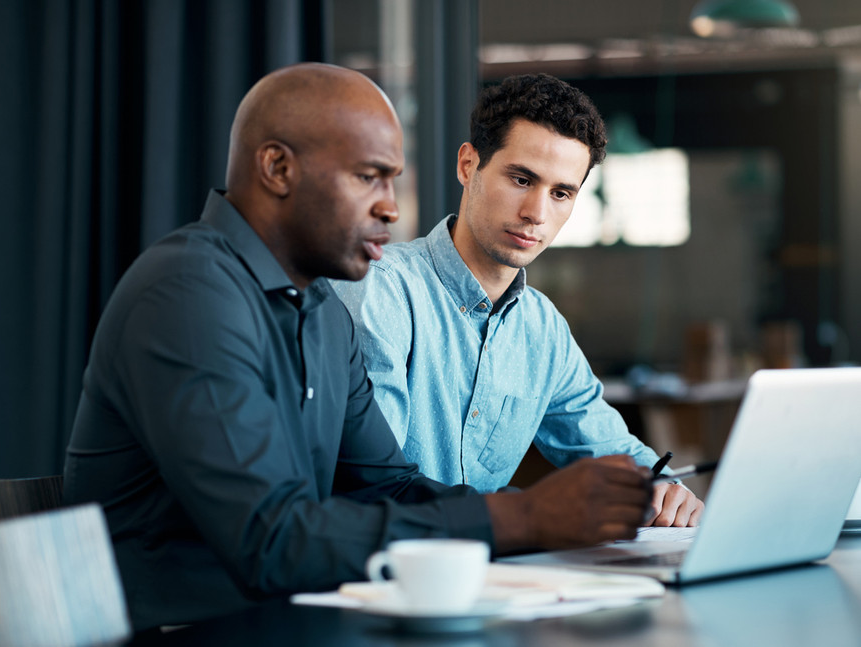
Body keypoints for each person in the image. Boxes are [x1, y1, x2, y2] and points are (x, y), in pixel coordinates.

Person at [62, 63, 654, 632]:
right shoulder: (188, 293)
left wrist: (550, 512)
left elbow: (387, 484)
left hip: (295, 614)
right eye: (368, 177)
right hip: (180, 627)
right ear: (277, 168)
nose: (391, 207)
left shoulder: (319, 310)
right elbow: (270, 541)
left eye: (392, 180)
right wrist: (523, 517)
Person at [334, 73, 703, 527]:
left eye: (561, 193)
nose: (537, 213)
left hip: (498, 579)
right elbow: (374, 484)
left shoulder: (542, 328)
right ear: (469, 165)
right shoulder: (381, 290)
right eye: (522, 179)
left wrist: (669, 492)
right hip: (393, 577)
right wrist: (529, 512)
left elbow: (612, 449)